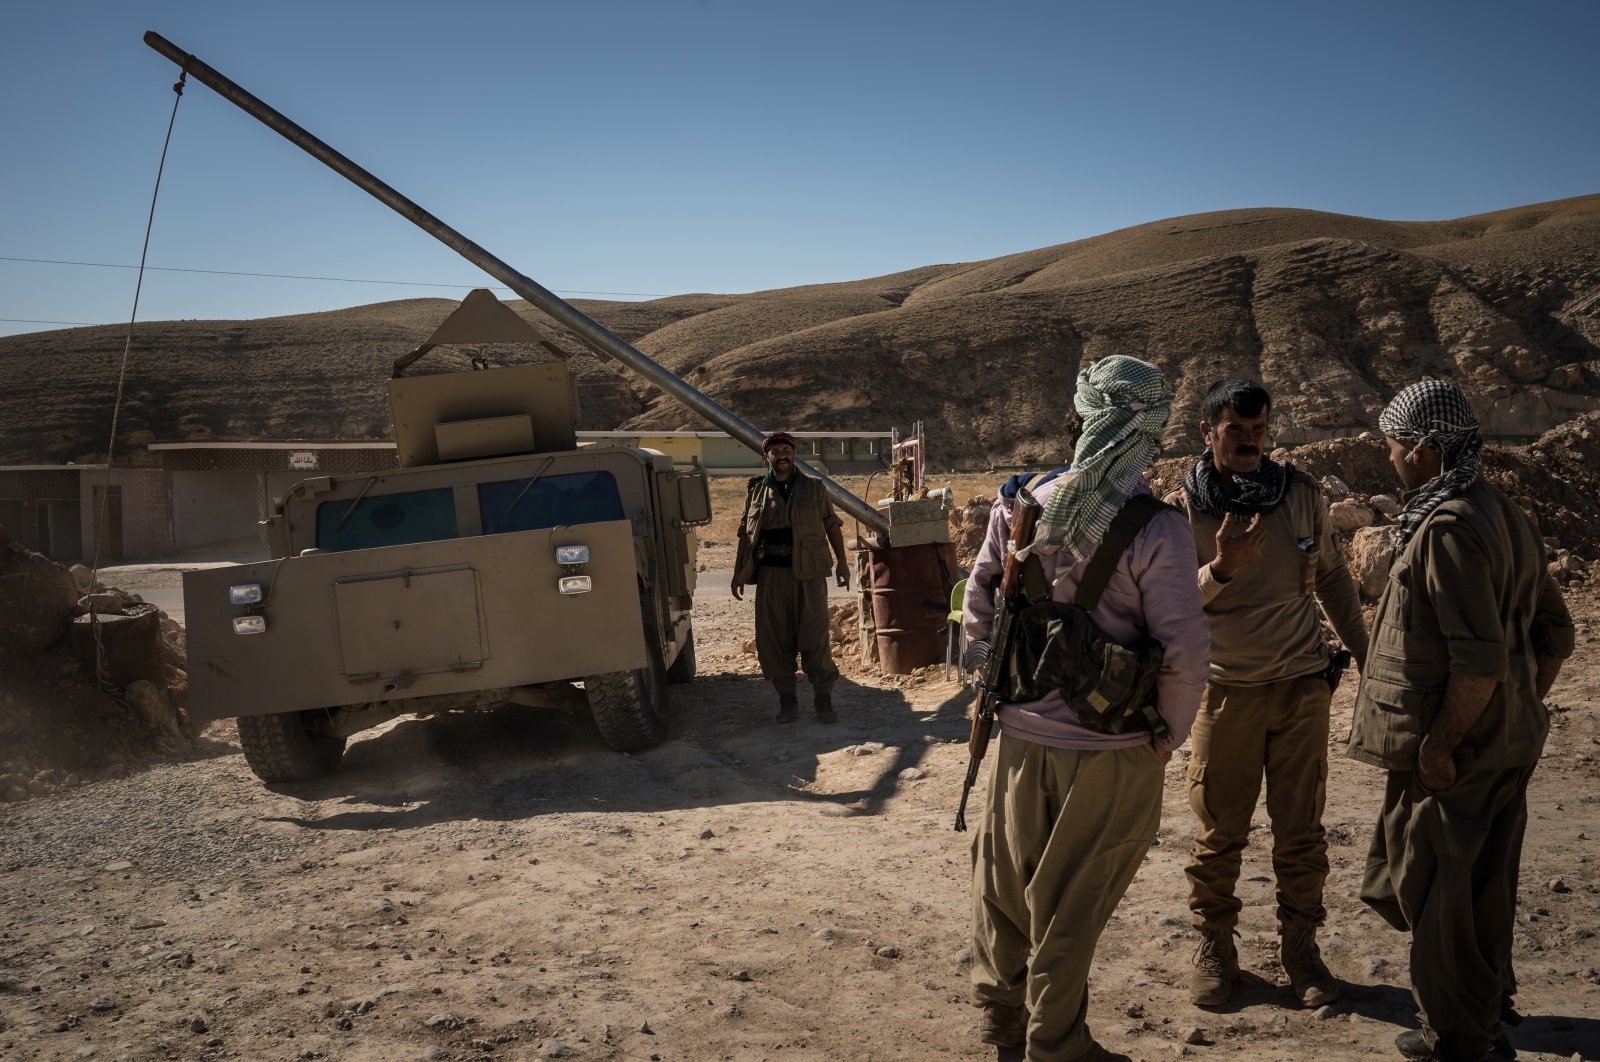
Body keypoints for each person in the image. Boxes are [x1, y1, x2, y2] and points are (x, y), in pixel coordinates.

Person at [963, 355, 1210, 1061]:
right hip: (1110, 751)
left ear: (1081, 417)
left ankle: (1001, 1017)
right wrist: (1167, 734)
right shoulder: (1157, 529)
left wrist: (1007, 693)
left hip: (1017, 734)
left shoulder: (1018, 504)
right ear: (1149, 431)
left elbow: (978, 613)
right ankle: (1056, 1042)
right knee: (1073, 900)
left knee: (1004, 880)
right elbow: (1186, 650)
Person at [1348, 380, 1572, 1062]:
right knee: (1485, 884)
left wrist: (1444, 743)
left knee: (1441, 893)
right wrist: (1518, 705)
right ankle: (1486, 1012)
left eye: (1392, 444)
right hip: (1506, 738)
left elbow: (1474, 664)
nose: (1388, 456)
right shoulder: (1500, 509)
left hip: (1462, 746)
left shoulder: (1447, 529)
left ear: (1422, 450)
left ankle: (1459, 1038)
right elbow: (1554, 635)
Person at [1165, 378, 1369, 1008]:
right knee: (1219, 832)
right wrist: (1221, 569)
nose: (1250, 440)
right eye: (1236, 429)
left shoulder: (1301, 496)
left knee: (1301, 830)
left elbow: (1334, 580)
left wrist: (1368, 660)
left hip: (1301, 690)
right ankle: (1215, 949)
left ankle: (1301, 952)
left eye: (1259, 429)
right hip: (1224, 694)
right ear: (1208, 433)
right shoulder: (1182, 511)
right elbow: (1170, 606)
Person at [732, 431, 851, 724]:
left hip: (809, 576)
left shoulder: (814, 487)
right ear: (766, 457)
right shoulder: (756, 490)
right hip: (771, 576)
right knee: (773, 640)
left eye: (787, 450)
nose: (782, 455)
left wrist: (842, 563)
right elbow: (744, 535)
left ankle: (823, 700)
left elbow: (831, 525)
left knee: (815, 637)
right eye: (776, 451)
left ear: (794, 454)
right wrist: (738, 572)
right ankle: (787, 701)